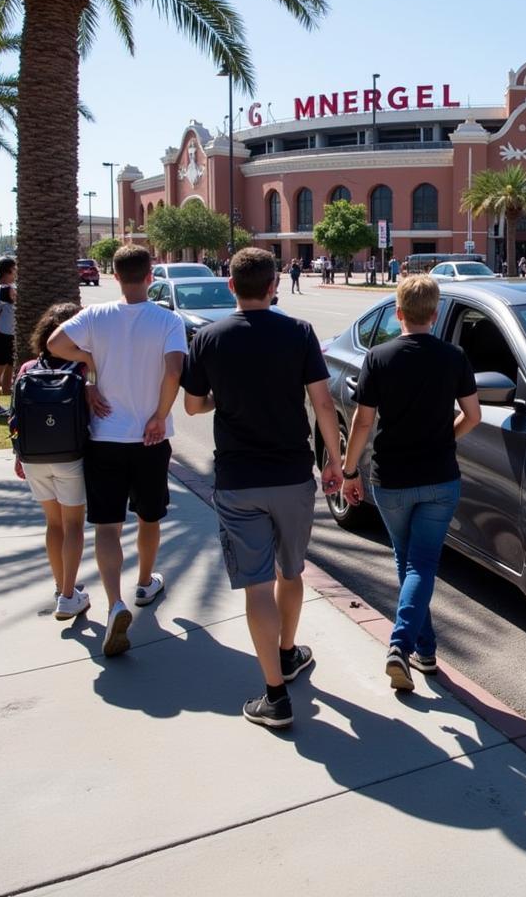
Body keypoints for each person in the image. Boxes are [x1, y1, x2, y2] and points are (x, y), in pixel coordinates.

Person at [182, 248, 344, 729]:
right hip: (293, 475)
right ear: (274, 285)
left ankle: (275, 695)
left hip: (238, 480)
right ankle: (290, 652)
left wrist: (222, 397)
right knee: (290, 573)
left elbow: (192, 407)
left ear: (230, 285)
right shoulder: (298, 333)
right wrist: (336, 462)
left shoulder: (208, 338)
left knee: (257, 585)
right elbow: (323, 403)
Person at [341, 275, 481, 691]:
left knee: (408, 563)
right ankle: (423, 649)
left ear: (398, 313)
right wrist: (444, 437)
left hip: (392, 479)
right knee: (419, 565)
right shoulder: (454, 357)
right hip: (440, 478)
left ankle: (404, 646)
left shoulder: (379, 357)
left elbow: (363, 421)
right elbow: (472, 416)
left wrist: (349, 472)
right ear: (435, 315)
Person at [49, 245, 187, 658]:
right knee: (150, 515)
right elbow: (175, 371)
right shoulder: (168, 320)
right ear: (150, 277)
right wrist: (160, 416)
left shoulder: (96, 316)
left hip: (104, 437)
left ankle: (115, 603)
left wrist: (89, 364)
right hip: (150, 440)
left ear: (113, 276)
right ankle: (145, 582)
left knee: (107, 527)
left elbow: (55, 342)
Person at [13, 302, 94, 620]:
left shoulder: (27, 368)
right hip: (71, 456)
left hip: (34, 457)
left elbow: (15, 416)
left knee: (54, 523)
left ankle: (62, 586)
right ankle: (69, 595)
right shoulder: (83, 369)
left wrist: (19, 455)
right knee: (74, 524)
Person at [0, 257, 17, 416]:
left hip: (7, 335)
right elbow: (17, 299)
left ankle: (7, 396)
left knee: (9, 368)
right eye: (15, 268)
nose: (17, 271)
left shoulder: (7, 287)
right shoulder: (5, 290)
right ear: (9, 270)